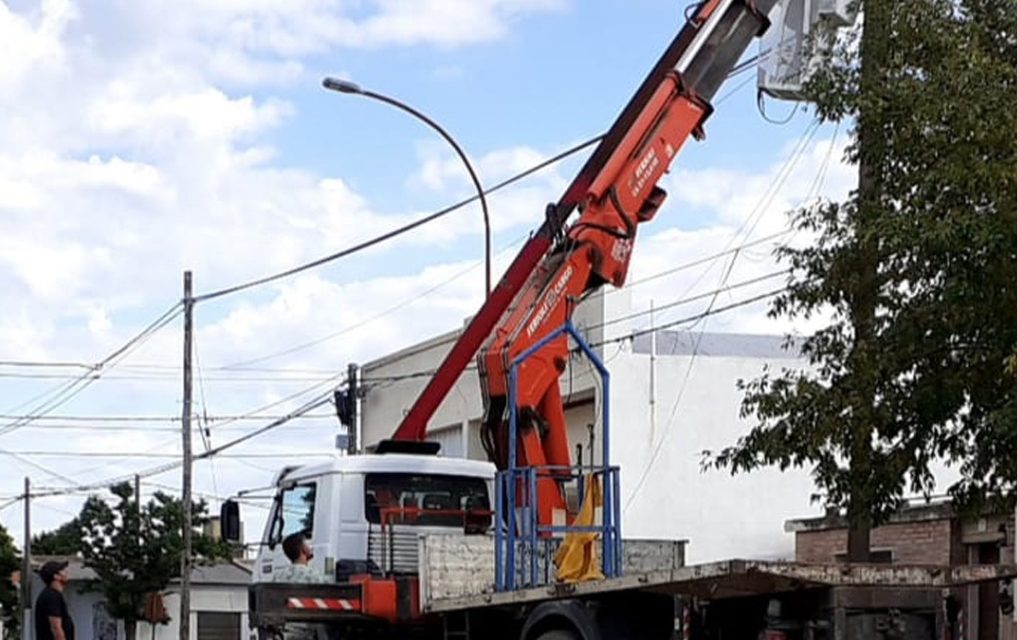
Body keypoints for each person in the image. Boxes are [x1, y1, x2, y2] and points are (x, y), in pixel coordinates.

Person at [34, 560, 74, 640]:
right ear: (56, 576)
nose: (66, 572)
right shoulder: (51, 597)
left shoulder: (53, 595)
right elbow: (56, 628)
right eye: (62, 570)